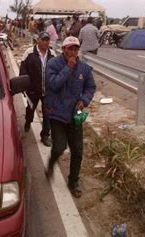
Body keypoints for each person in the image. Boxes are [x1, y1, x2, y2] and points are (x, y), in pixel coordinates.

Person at [44, 36, 96, 198]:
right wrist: (68, 68)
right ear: (63, 49)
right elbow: (53, 84)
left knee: (77, 150)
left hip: (74, 114)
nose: (73, 52)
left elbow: (90, 87)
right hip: (57, 112)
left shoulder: (84, 69)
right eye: (70, 49)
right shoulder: (53, 64)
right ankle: (51, 163)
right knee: (59, 146)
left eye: (75, 49)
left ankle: (73, 181)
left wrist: (84, 100)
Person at [20, 32, 56, 146]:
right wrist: (24, 86)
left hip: (48, 91)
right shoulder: (29, 53)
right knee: (30, 109)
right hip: (33, 90)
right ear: (38, 40)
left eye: (47, 40)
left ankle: (45, 135)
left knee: (48, 114)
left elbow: (56, 71)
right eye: (43, 40)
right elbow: (23, 71)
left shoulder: (52, 54)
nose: (46, 42)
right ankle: (28, 121)